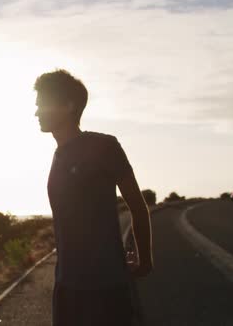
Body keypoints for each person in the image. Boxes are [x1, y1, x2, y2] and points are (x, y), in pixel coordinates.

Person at [33, 69, 153, 326]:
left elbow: (138, 207)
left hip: (105, 287)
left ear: (68, 106)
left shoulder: (104, 146)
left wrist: (145, 260)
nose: (36, 112)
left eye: (42, 104)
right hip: (66, 287)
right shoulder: (57, 155)